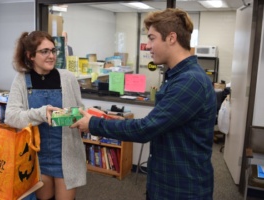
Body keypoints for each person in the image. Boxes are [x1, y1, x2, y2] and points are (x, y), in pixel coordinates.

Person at [71, 8, 217, 200]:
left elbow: (145, 129)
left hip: (182, 188)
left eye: (151, 38)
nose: (147, 46)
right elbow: (163, 123)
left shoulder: (190, 82)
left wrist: (93, 124)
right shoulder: (177, 76)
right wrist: (111, 119)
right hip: (166, 182)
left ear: (171, 38)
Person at [5, 31, 86, 200]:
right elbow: (11, 116)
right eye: (44, 51)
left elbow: (79, 110)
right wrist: (42, 113)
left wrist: (82, 117)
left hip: (66, 154)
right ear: (31, 55)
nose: (51, 56)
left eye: (53, 50)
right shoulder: (21, 80)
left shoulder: (68, 78)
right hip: (36, 156)